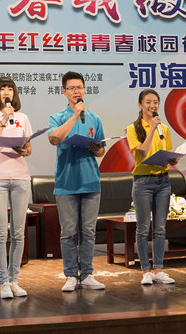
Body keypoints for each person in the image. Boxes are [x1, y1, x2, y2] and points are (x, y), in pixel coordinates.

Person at [48, 71, 106, 292]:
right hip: (66, 183)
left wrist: (96, 148)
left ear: (84, 89)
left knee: (89, 232)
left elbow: (101, 151)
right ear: (64, 91)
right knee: (69, 232)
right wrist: (74, 116)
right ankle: (71, 275)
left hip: (90, 181)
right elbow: (54, 138)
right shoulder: (57, 117)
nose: (76, 91)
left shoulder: (95, 118)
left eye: (79, 87)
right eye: (71, 88)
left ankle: (88, 274)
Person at [0, 77, 33, 299]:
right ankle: (3, 283)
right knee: (1, 231)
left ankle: (14, 280)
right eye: (3, 89)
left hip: (21, 177)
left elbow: (29, 148)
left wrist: (24, 150)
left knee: (18, 232)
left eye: (10, 88)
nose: (7, 92)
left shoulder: (23, 118)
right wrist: (3, 120)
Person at [126, 89, 177, 285]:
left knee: (160, 228)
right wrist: (152, 129)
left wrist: (173, 158)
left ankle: (159, 269)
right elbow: (144, 151)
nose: (152, 106)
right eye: (148, 102)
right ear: (140, 105)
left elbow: (168, 153)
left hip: (163, 181)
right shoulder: (134, 128)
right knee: (142, 228)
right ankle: (145, 270)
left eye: (155, 102)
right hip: (143, 182)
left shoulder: (165, 128)